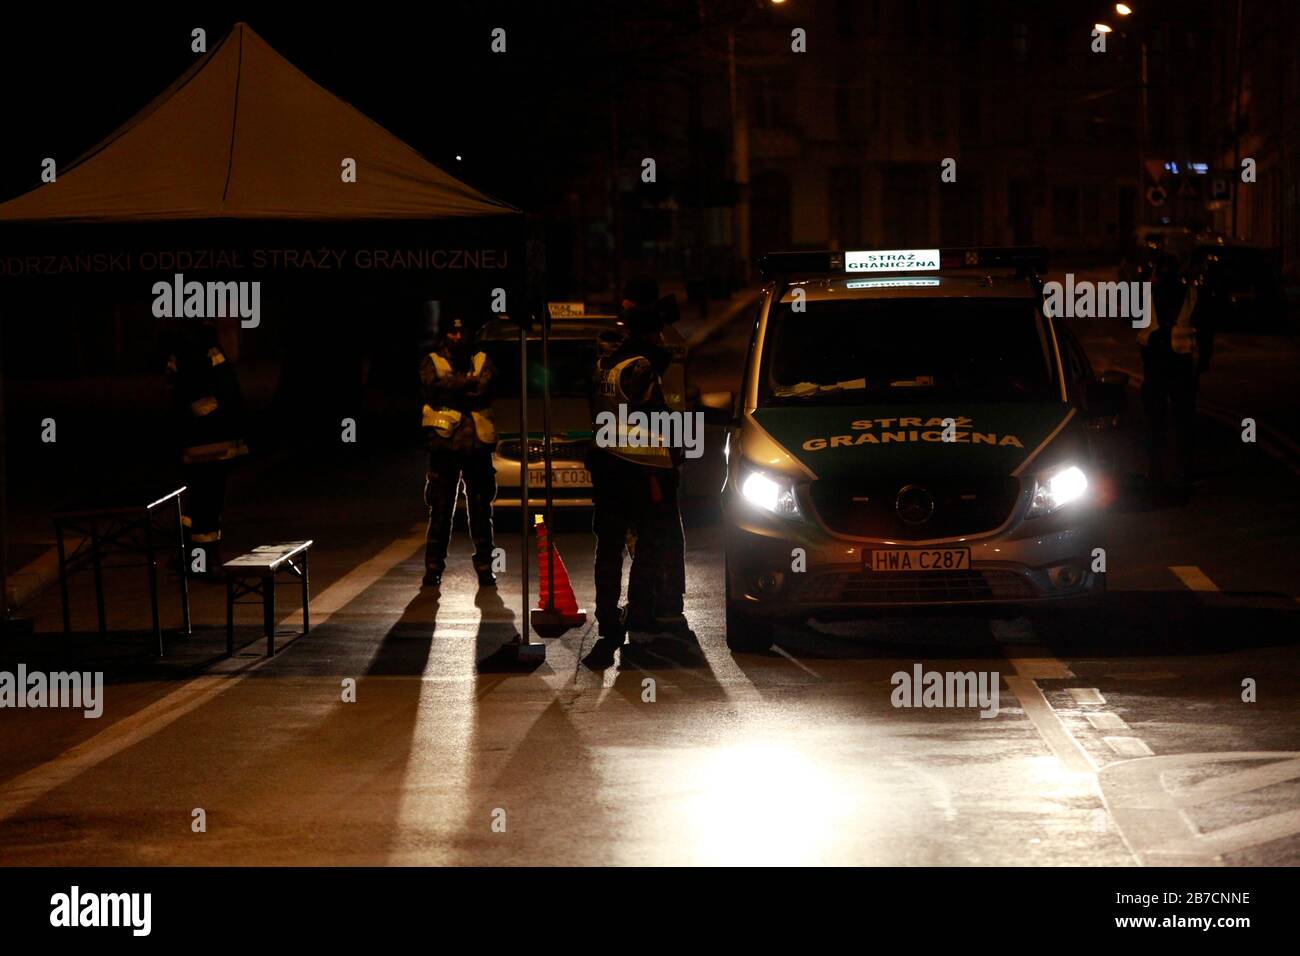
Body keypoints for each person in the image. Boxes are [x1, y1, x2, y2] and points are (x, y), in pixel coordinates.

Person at [584, 278, 687, 667]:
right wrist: (679, 451)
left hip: (608, 470)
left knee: (607, 549)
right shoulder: (641, 366)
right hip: (642, 472)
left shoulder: (604, 364)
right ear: (649, 334)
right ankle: (640, 615)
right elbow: (658, 418)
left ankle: (608, 622)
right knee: (649, 547)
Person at [420, 309, 500, 589]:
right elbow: (433, 389)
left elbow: (484, 389)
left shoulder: (482, 360)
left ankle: (485, 568)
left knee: (480, 510)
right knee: (440, 510)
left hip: (476, 446)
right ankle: (433, 568)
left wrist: (453, 389)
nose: (457, 336)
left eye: (462, 332)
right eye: (453, 332)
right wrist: (466, 383)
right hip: (444, 446)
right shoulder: (432, 360)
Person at [164, 320, 249, 575]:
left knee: (198, 506)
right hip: (210, 444)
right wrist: (221, 415)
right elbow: (206, 395)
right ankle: (202, 561)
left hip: (205, 443)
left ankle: (190, 556)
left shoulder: (191, 347)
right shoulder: (199, 348)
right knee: (207, 506)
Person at [1137, 254, 1202, 490]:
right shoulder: (1189, 293)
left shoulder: (1150, 293)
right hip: (1176, 362)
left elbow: (1136, 323)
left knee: (1159, 421)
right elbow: (1204, 330)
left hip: (1163, 361)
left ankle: (1159, 471)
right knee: (1179, 420)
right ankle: (1179, 470)